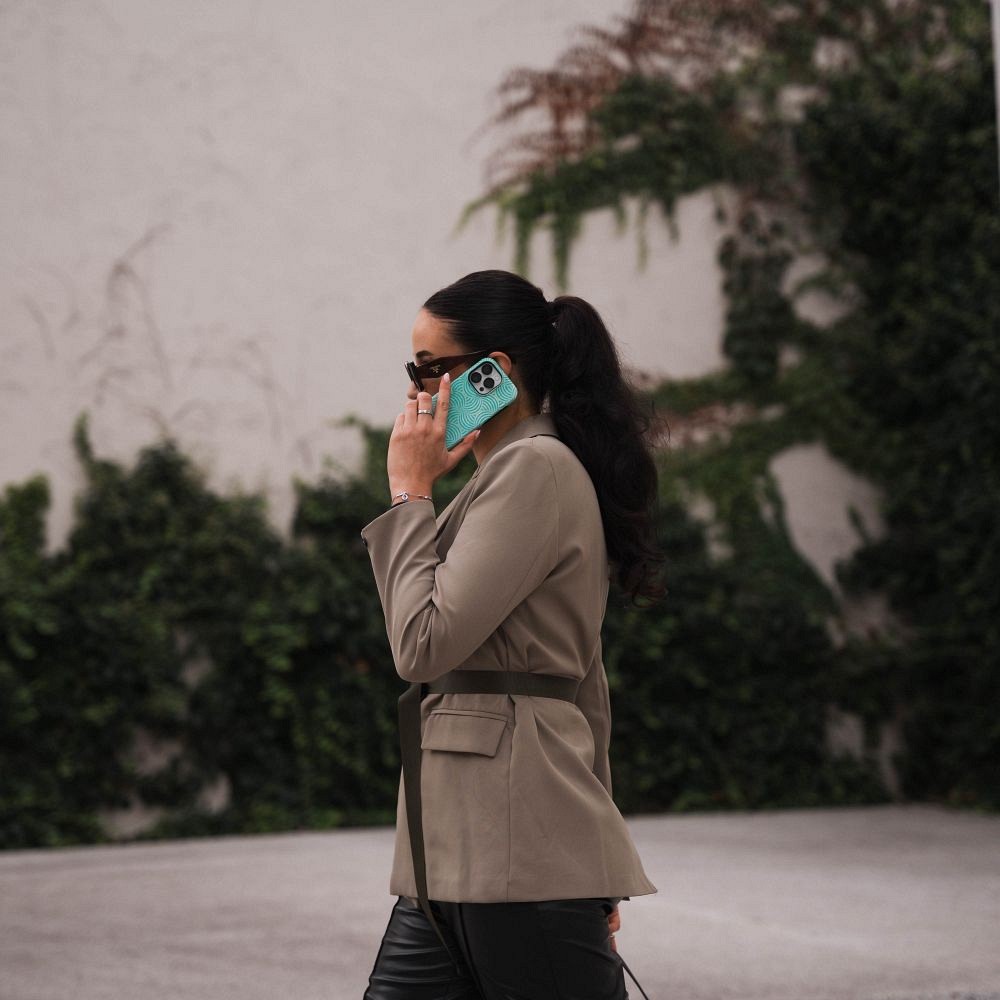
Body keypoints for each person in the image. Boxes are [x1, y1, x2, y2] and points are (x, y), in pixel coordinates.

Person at [359, 269, 666, 999]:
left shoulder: (537, 469)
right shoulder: (504, 476)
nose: (417, 392)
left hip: (516, 844)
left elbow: (423, 645)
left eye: (429, 367)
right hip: (456, 849)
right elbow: (583, 684)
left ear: (492, 373)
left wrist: (409, 494)